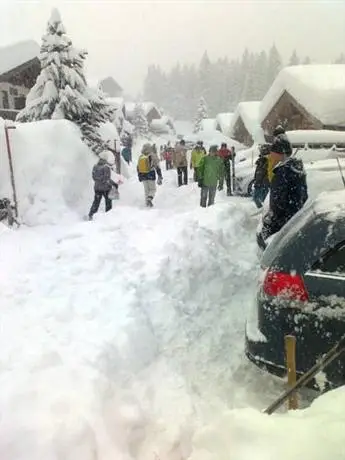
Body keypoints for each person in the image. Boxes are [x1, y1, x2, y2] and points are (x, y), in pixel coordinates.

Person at [257, 128, 308, 248]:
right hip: (291, 221)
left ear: (282, 153)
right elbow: (302, 197)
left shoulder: (284, 173)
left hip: (282, 226)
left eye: (273, 152)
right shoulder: (295, 169)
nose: (271, 154)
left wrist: (272, 222)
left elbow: (279, 203)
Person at [88, 151, 118, 220]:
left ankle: (91, 215)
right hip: (105, 189)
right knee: (108, 202)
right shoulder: (106, 167)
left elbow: (93, 177)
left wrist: (99, 181)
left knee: (96, 202)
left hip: (97, 188)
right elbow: (107, 179)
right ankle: (108, 216)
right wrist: (114, 184)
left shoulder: (95, 166)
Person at [137, 143, 163, 208]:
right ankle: (149, 199)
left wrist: (139, 176)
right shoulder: (152, 155)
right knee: (153, 189)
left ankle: (147, 204)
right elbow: (157, 167)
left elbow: (138, 167)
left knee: (146, 190)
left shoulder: (141, 156)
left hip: (143, 175)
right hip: (150, 174)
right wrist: (160, 176)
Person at [253, 144, 270, 208]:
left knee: (264, 199)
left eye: (262, 150)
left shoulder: (268, 160)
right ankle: (262, 209)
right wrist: (255, 179)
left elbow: (267, 173)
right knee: (255, 198)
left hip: (264, 184)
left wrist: (265, 181)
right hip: (258, 183)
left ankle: (264, 210)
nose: (260, 151)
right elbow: (258, 171)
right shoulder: (261, 160)